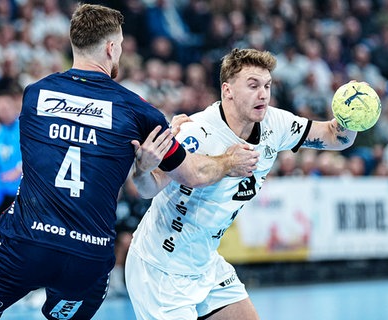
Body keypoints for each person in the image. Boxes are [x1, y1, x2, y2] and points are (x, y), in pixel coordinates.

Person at [0, 4, 258, 320]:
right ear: (112, 48)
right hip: (88, 259)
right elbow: (195, 174)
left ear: (74, 43)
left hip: (26, 242)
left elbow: (70, 136)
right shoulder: (139, 111)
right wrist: (228, 160)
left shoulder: (35, 94)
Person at [125, 48, 359, 319]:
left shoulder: (275, 123)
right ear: (228, 91)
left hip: (205, 263)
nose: (263, 94)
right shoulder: (197, 132)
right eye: (253, 85)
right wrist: (143, 169)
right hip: (160, 268)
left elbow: (335, 137)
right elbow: (148, 188)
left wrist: (351, 116)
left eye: (267, 86)